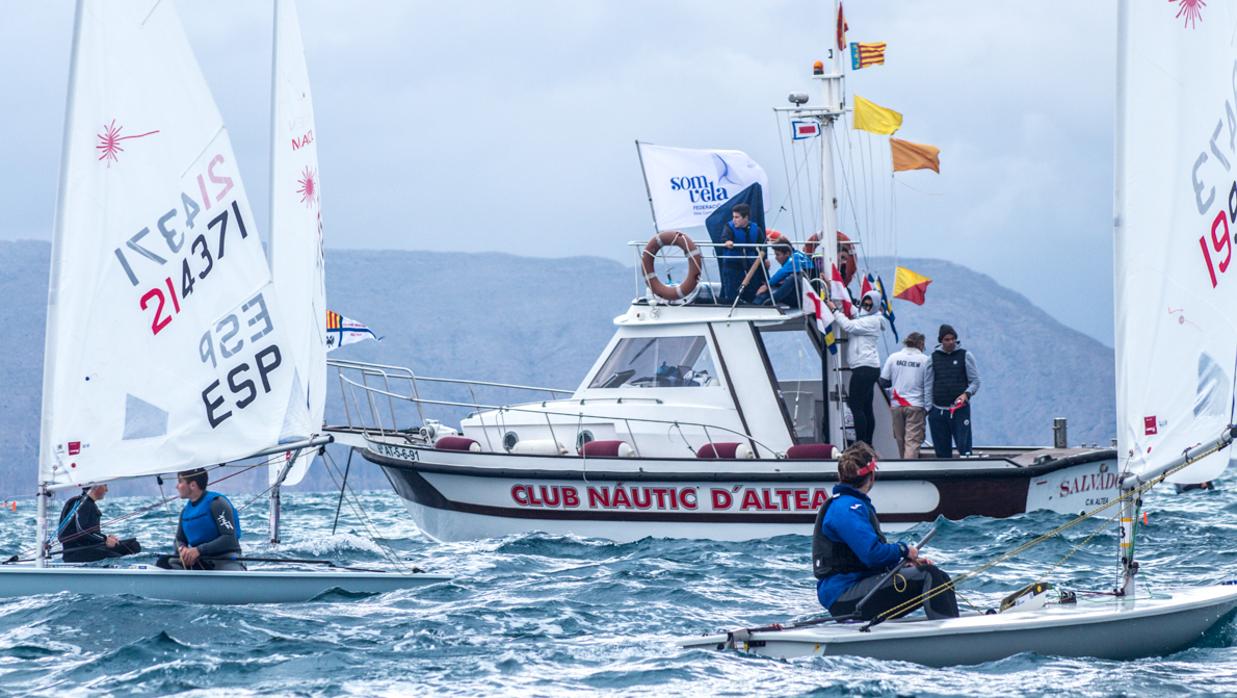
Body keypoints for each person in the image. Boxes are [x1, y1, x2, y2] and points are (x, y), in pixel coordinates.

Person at [813, 443, 959, 621]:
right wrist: (904, 550)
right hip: (845, 596)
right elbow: (872, 555)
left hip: (854, 588)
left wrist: (905, 565)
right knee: (930, 576)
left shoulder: (848, 505)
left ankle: (949, 626)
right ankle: (949, 638)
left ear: (841, 476)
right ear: (872, 476)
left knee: (938, 576)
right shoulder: (847, 508)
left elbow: (866, 560)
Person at [826, 290, 885, 448]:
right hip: (869, 367)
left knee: (855, 405)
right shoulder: (865, 316)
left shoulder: (871, 321)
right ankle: (868, 443)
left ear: (876, 306)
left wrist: (833, 310)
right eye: (864, 303)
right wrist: (836, 289)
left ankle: (860, 443)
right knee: (866, 407)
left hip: (864, 368)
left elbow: (848, 325)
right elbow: (853, 310)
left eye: (869, 305)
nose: (865, 306)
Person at [163, 468, 245, 571]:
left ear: (192, 485)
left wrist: (198, 550)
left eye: (180, 482)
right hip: (199, 560)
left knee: (231, 572)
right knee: (164, 563)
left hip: (225, 559)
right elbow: (179, 539)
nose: (177, 486)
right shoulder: (185, 512)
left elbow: (229, 539)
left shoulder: (217, 503)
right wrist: (182, 550)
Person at [923, 324, 981, 458]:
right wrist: (928, 408)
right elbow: (928, 384)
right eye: (947, 339)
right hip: (938, 411)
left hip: (960, 411)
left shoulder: (965, 355)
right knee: (942, 452)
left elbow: (976, 381)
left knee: (964, 448)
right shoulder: (932, 359)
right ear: (941, 341)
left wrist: (966, 394)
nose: (950, 342)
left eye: (952, 339)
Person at [56, 484, 142, 563]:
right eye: (105, 485)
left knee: (133, 545)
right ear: (95, 487)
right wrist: (105, 539)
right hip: (76, 553)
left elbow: (88, 533)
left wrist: (107, 539)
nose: (107, 490)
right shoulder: (84, 504)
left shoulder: (88, 503)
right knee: (113, 556)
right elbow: (83, 531)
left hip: (90, 548)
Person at [879, 332, 929, 459]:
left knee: (900, 441)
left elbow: (883, 382)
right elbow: (929, 384)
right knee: (912, 442)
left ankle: (903, 467)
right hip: (916, 405)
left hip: (897, 405)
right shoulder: (925, 360)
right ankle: (910, 471)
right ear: (921, 343)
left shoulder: (893, 357)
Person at [718, 204, 765, 305]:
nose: (734, 220)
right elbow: (724, 239)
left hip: (751, 267)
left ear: (746, 218)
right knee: (731, 295)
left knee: (752, 293)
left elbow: (762, 247)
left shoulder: (756, 229)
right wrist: (727, 242)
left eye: (737, 217)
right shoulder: (728, 227)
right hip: (733, 267)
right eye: (733, 217)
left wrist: (764, 261)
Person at [753, 238, 814, 307]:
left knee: (791, 279)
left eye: (778, 255)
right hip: (799, 294)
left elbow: (782, 272)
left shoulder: (795, 258)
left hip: (803, 299)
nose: (776, 258)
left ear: (787, 253)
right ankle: (756, 303)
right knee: (776, 284)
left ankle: (768, 303)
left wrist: (767, 285)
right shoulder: (797, 256)